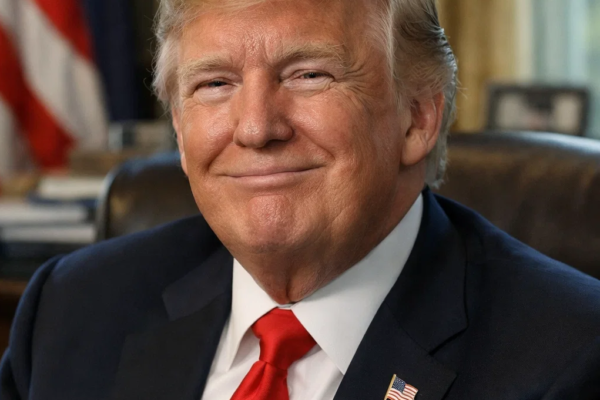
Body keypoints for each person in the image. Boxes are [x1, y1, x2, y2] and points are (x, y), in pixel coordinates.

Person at [2, 0, 600, 399]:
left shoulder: (570, 357)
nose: (257, 127)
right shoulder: (70, 311)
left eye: (309, 74)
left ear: (418, 117)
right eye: (215, 84)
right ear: (180, 133)